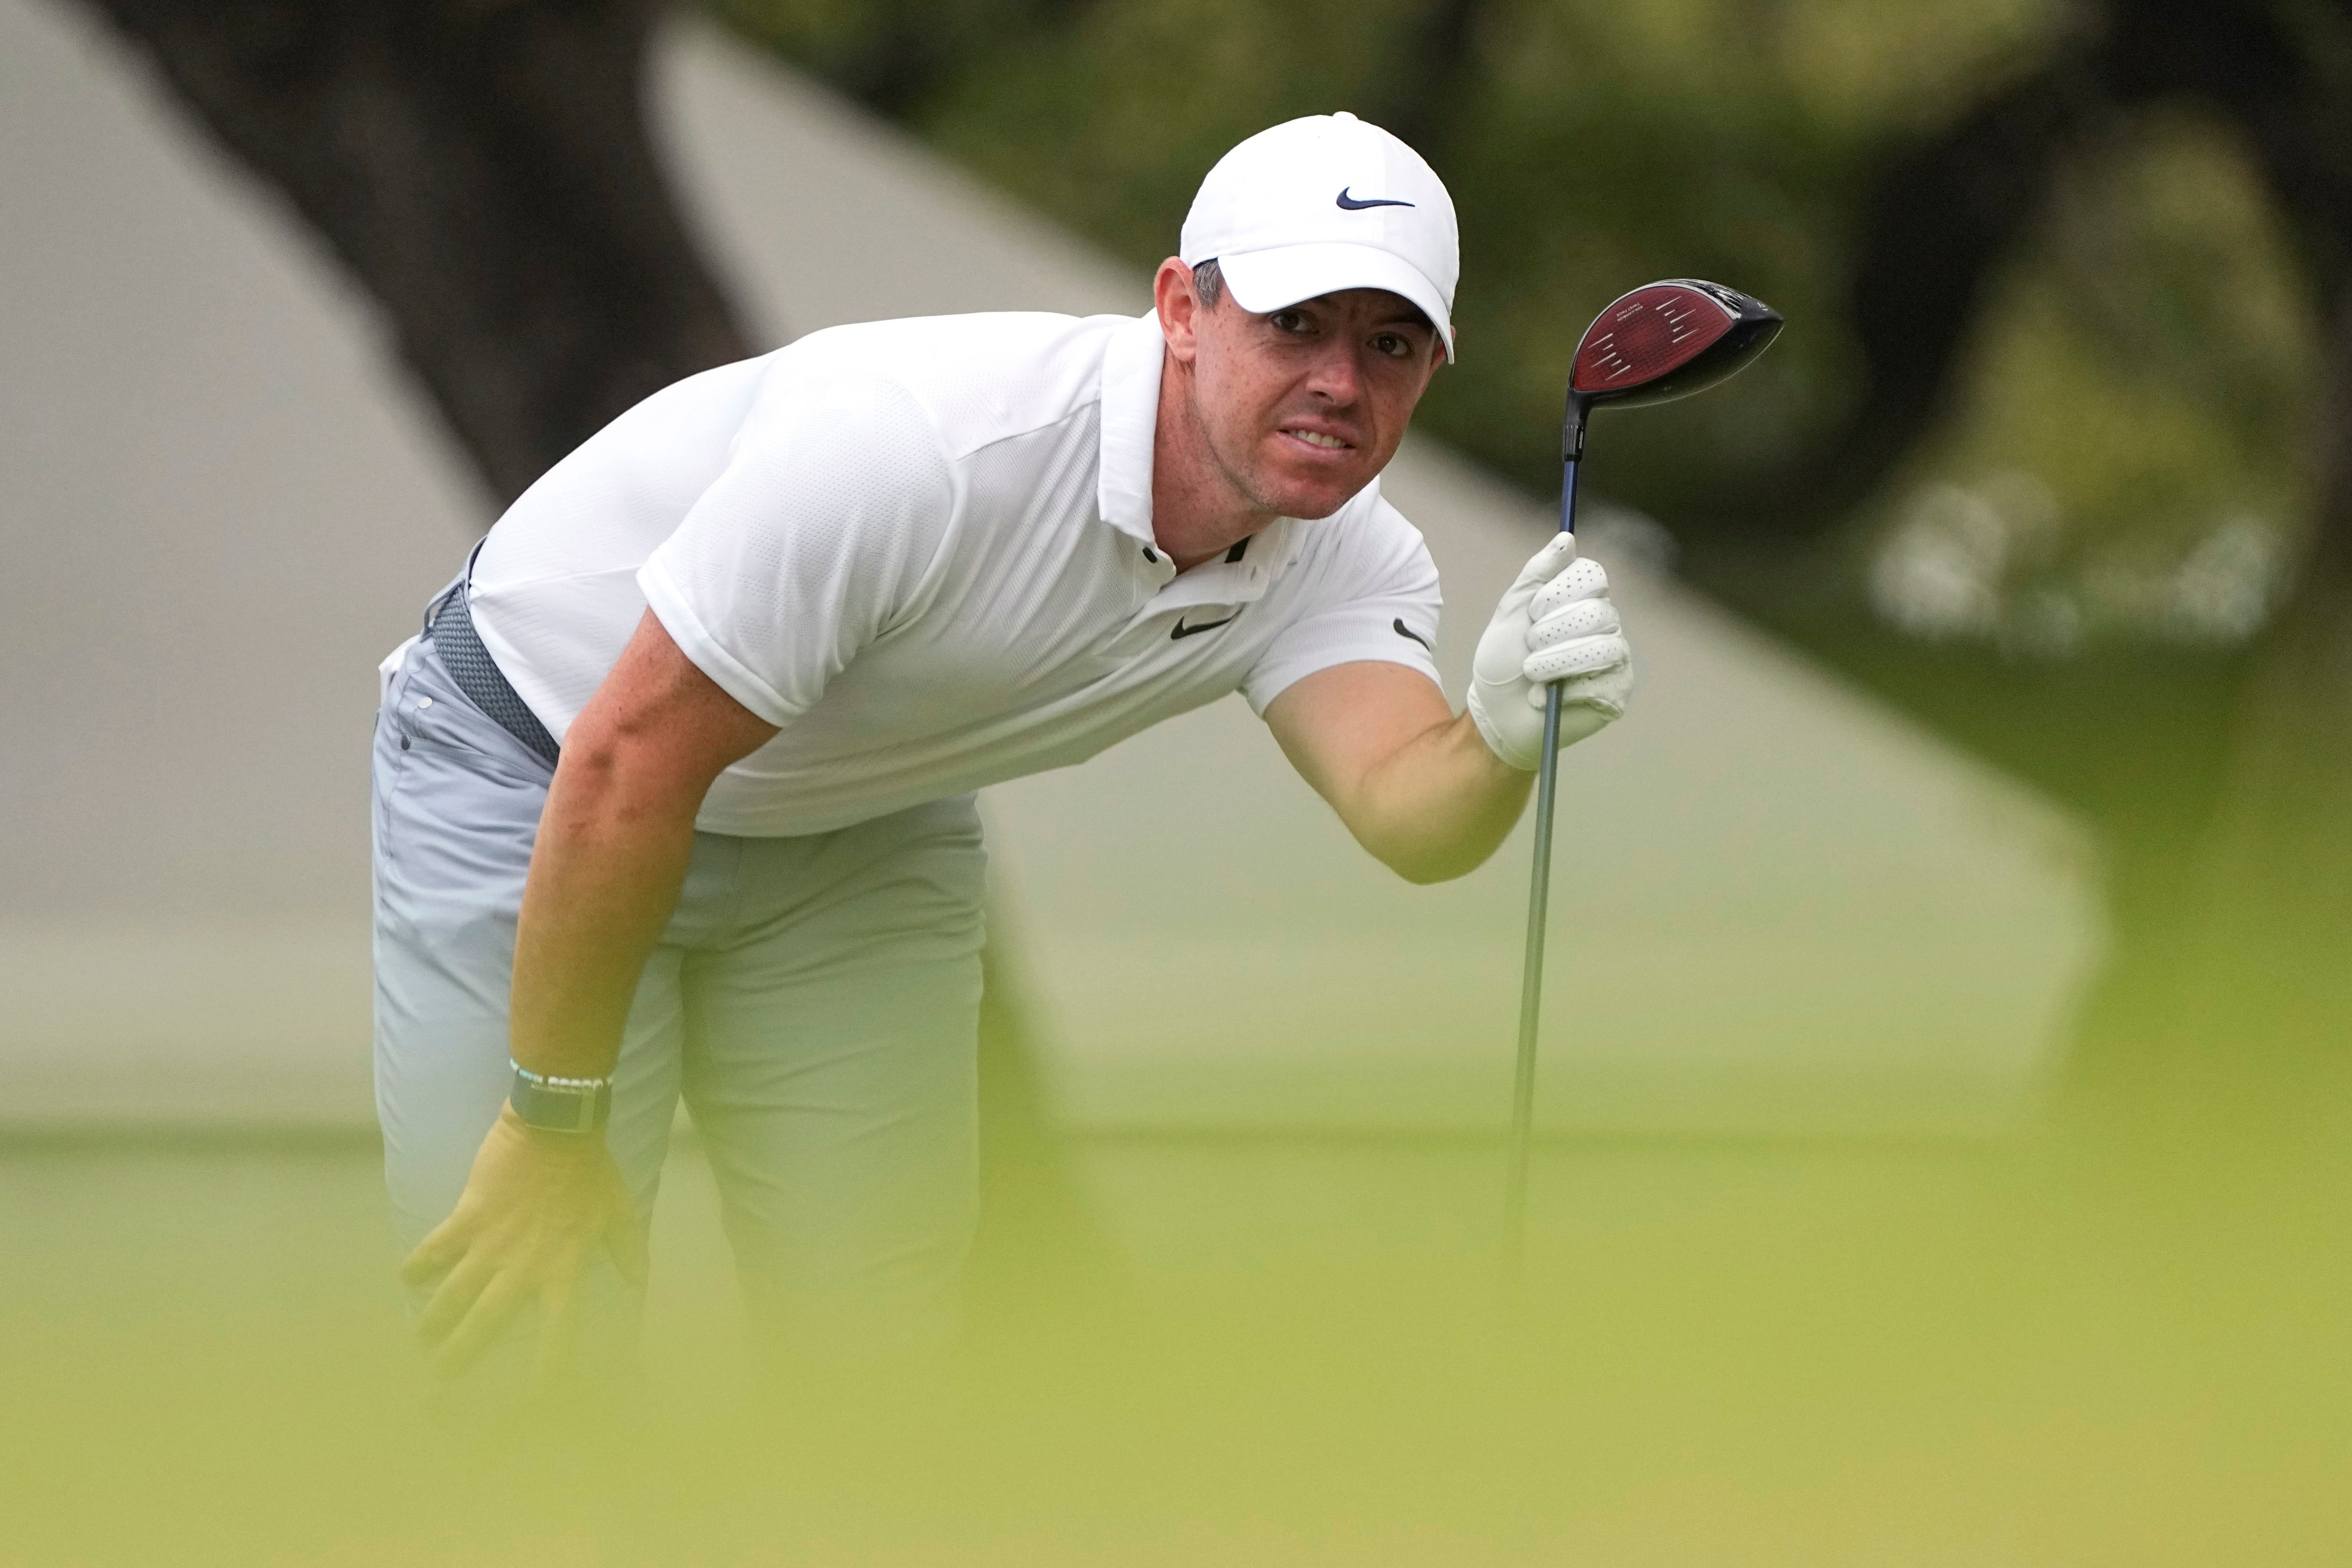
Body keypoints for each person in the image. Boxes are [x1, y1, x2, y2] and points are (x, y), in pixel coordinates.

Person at [373, 110, 1634, 1385]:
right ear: (1181, 310)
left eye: (1390, 342)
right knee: (527, 1343)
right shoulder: (921, 453)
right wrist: (550, 1123)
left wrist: (1500, 737)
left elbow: (1406, 807)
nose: (1341, 383)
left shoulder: (1349, 551)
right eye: (1293, 324)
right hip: (538, 769)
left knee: (878, 1360)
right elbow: (628, 761)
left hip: (856, 827)